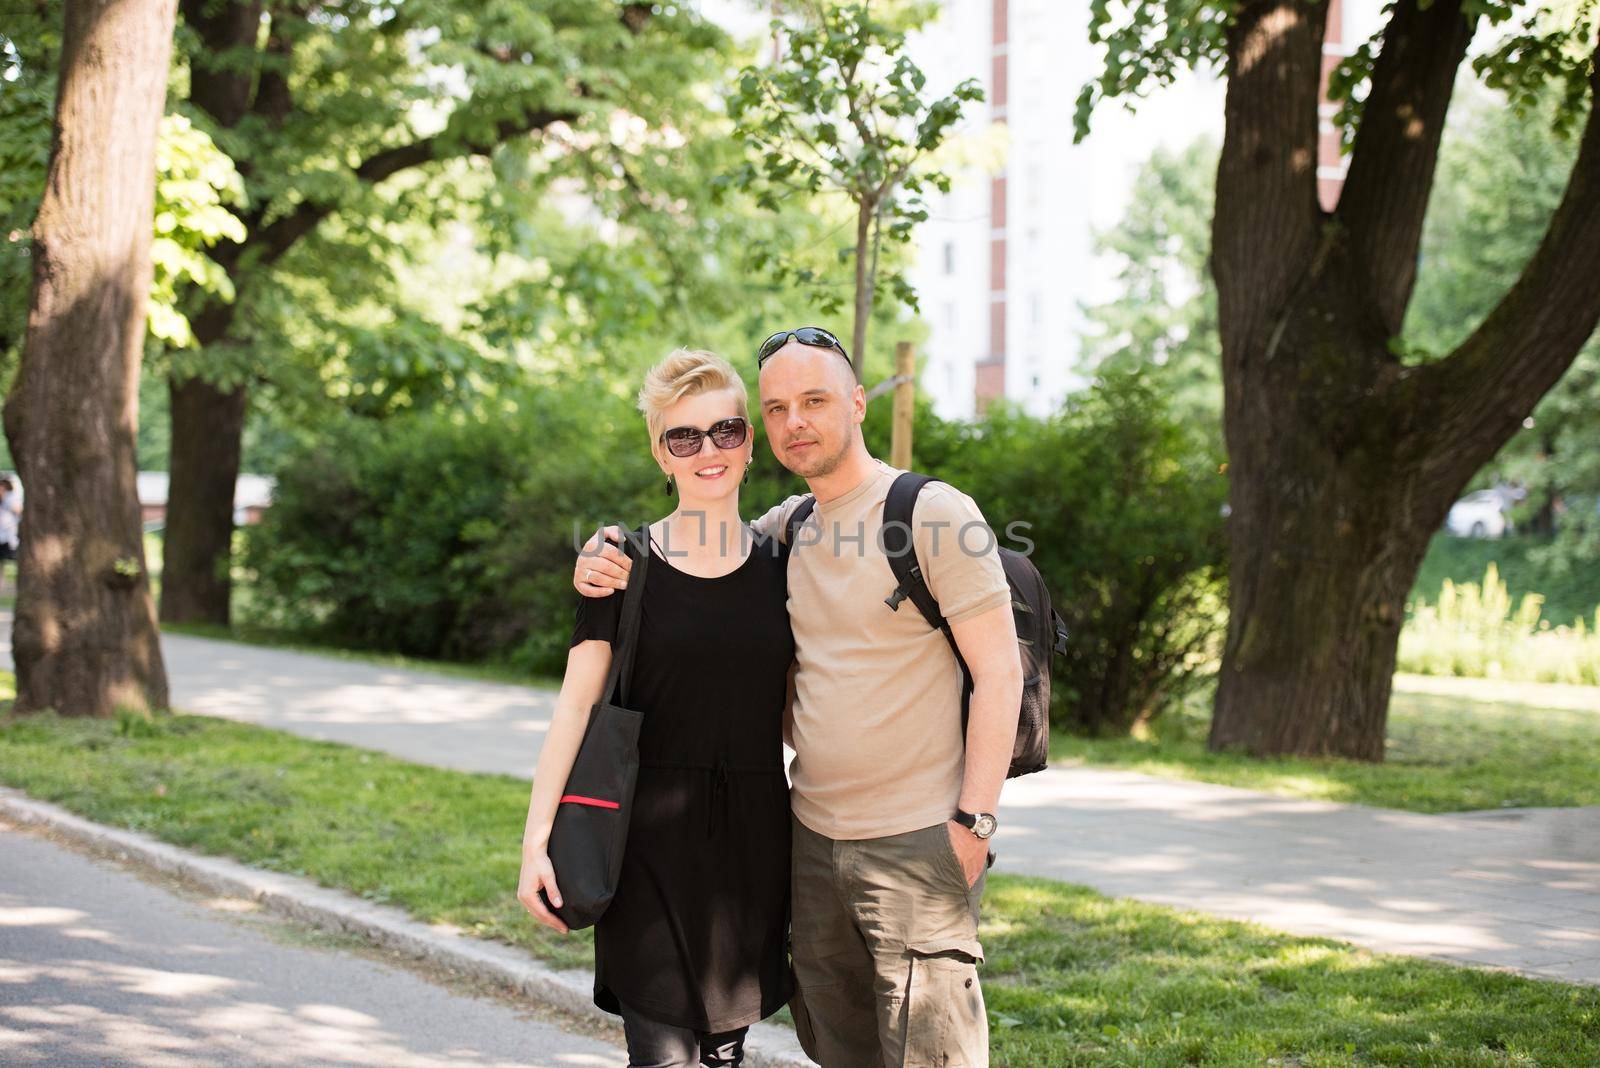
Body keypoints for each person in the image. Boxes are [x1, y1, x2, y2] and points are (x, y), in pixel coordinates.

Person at [575, 327, 1022, 1066]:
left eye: (814, 400)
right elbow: (695, 556)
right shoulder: (787, 529)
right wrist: (608, 551)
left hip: (917, 842)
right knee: (840, 1052)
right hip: (810, 844)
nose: (795, 422)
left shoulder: (933, 513)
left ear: (856, 403)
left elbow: (1000, 673)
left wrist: (972, 825)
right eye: (777, 407)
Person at [518, 349, 795, 1067]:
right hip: (642, 843)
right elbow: (574, 710)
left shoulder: (785, 567)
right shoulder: (621, 565)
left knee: (726, 1054)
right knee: (663, 1055)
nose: (708, 451)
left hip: (753, 851)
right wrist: (535, 843)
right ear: (661, 455)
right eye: (684, 437)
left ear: (748, 444)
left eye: (725, 431)